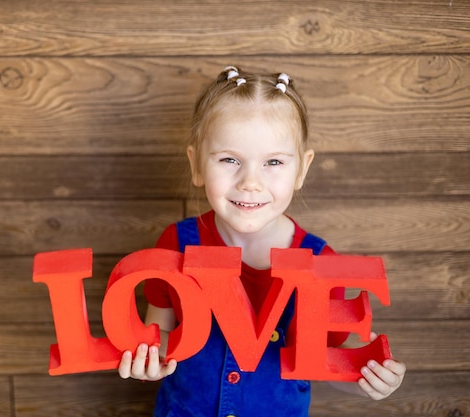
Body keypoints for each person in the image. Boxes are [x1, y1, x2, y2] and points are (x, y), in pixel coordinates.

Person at [118, 65, 406, 416]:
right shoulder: (176, 244)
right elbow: (157, 335)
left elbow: (323, 363)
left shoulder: (319, 263)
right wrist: (146, 361)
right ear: (196, 165)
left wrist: (368, 381)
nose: (249, 182)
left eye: (273, 161)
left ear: (301, 168)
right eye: (229, 160)